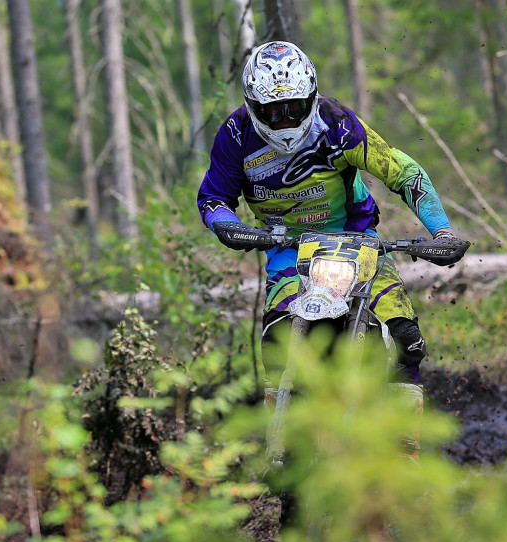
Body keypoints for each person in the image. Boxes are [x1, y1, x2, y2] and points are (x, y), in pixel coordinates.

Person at [197, 40, 461, 409]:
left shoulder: (336, 122)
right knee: (278, 342)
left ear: (312, 97)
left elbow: (404, 171)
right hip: (288, 249)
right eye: (272, 112)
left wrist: (442, 231)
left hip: (357, 242)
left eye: (293, 109)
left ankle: (406, 448)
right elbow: (213, 199)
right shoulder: (236, 134)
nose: (285, 121)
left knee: (404, 336)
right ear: (253, 107)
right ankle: (281, 446)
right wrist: (227, 226)